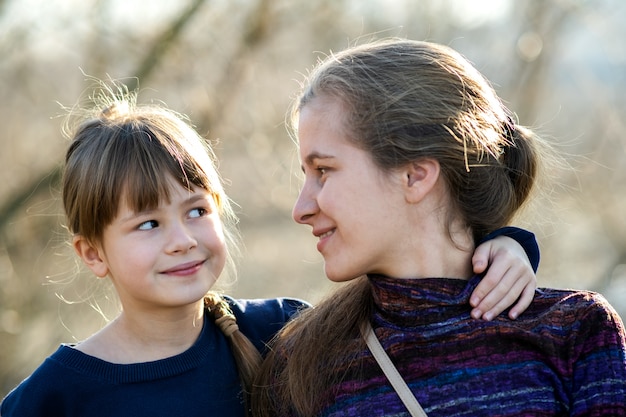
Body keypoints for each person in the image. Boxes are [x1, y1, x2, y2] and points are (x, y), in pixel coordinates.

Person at [1, 82, 539, 417]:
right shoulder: (58, 396)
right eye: (147, 224)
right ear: (93, 253)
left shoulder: (282, 334)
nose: (183, 239)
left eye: (196, 210)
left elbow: (418, 311)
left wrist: (504, 246)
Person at [252, 39, 626, 416]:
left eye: (323, 171)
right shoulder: (300, 365)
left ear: (415, 176)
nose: (301, 209)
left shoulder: (575, 330)